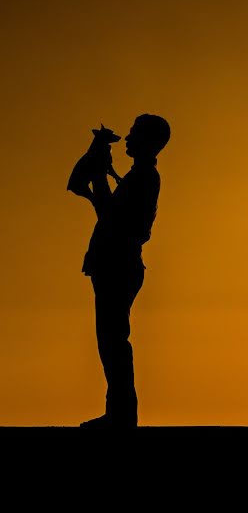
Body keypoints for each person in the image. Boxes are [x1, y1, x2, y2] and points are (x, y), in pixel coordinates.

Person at [73, 114, 170, 430]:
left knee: (113, 341)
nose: (126, 138)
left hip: (119, 264)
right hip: (117, 263)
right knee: (112, 340)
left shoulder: (142, 178)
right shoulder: (138, 176)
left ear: (148, 141)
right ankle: (119, 413)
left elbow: (112, 217)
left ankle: (121, 415)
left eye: (133, 134)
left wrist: (99, 179)